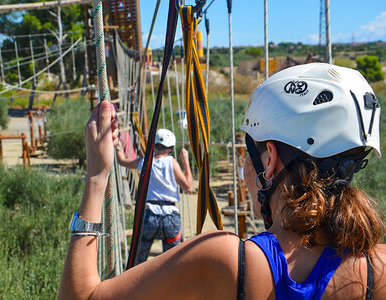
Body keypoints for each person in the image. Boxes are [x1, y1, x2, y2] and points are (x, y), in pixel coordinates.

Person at [59, 63, 386, 299]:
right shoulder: (378, 268)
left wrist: (97, 175)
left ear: (269, 160)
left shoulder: (226, 261)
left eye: (249, 153)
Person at [116, 128, 193, 264]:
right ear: (170, 148)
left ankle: (137, 282)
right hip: (170, 216)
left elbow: (122, 161)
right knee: (173, 263)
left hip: (150, 215)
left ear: (153, 144)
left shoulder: (144, 162)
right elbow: (188, 187)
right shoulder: (171, 162)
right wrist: (185, 161)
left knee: (138, 262)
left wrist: (116, 145)